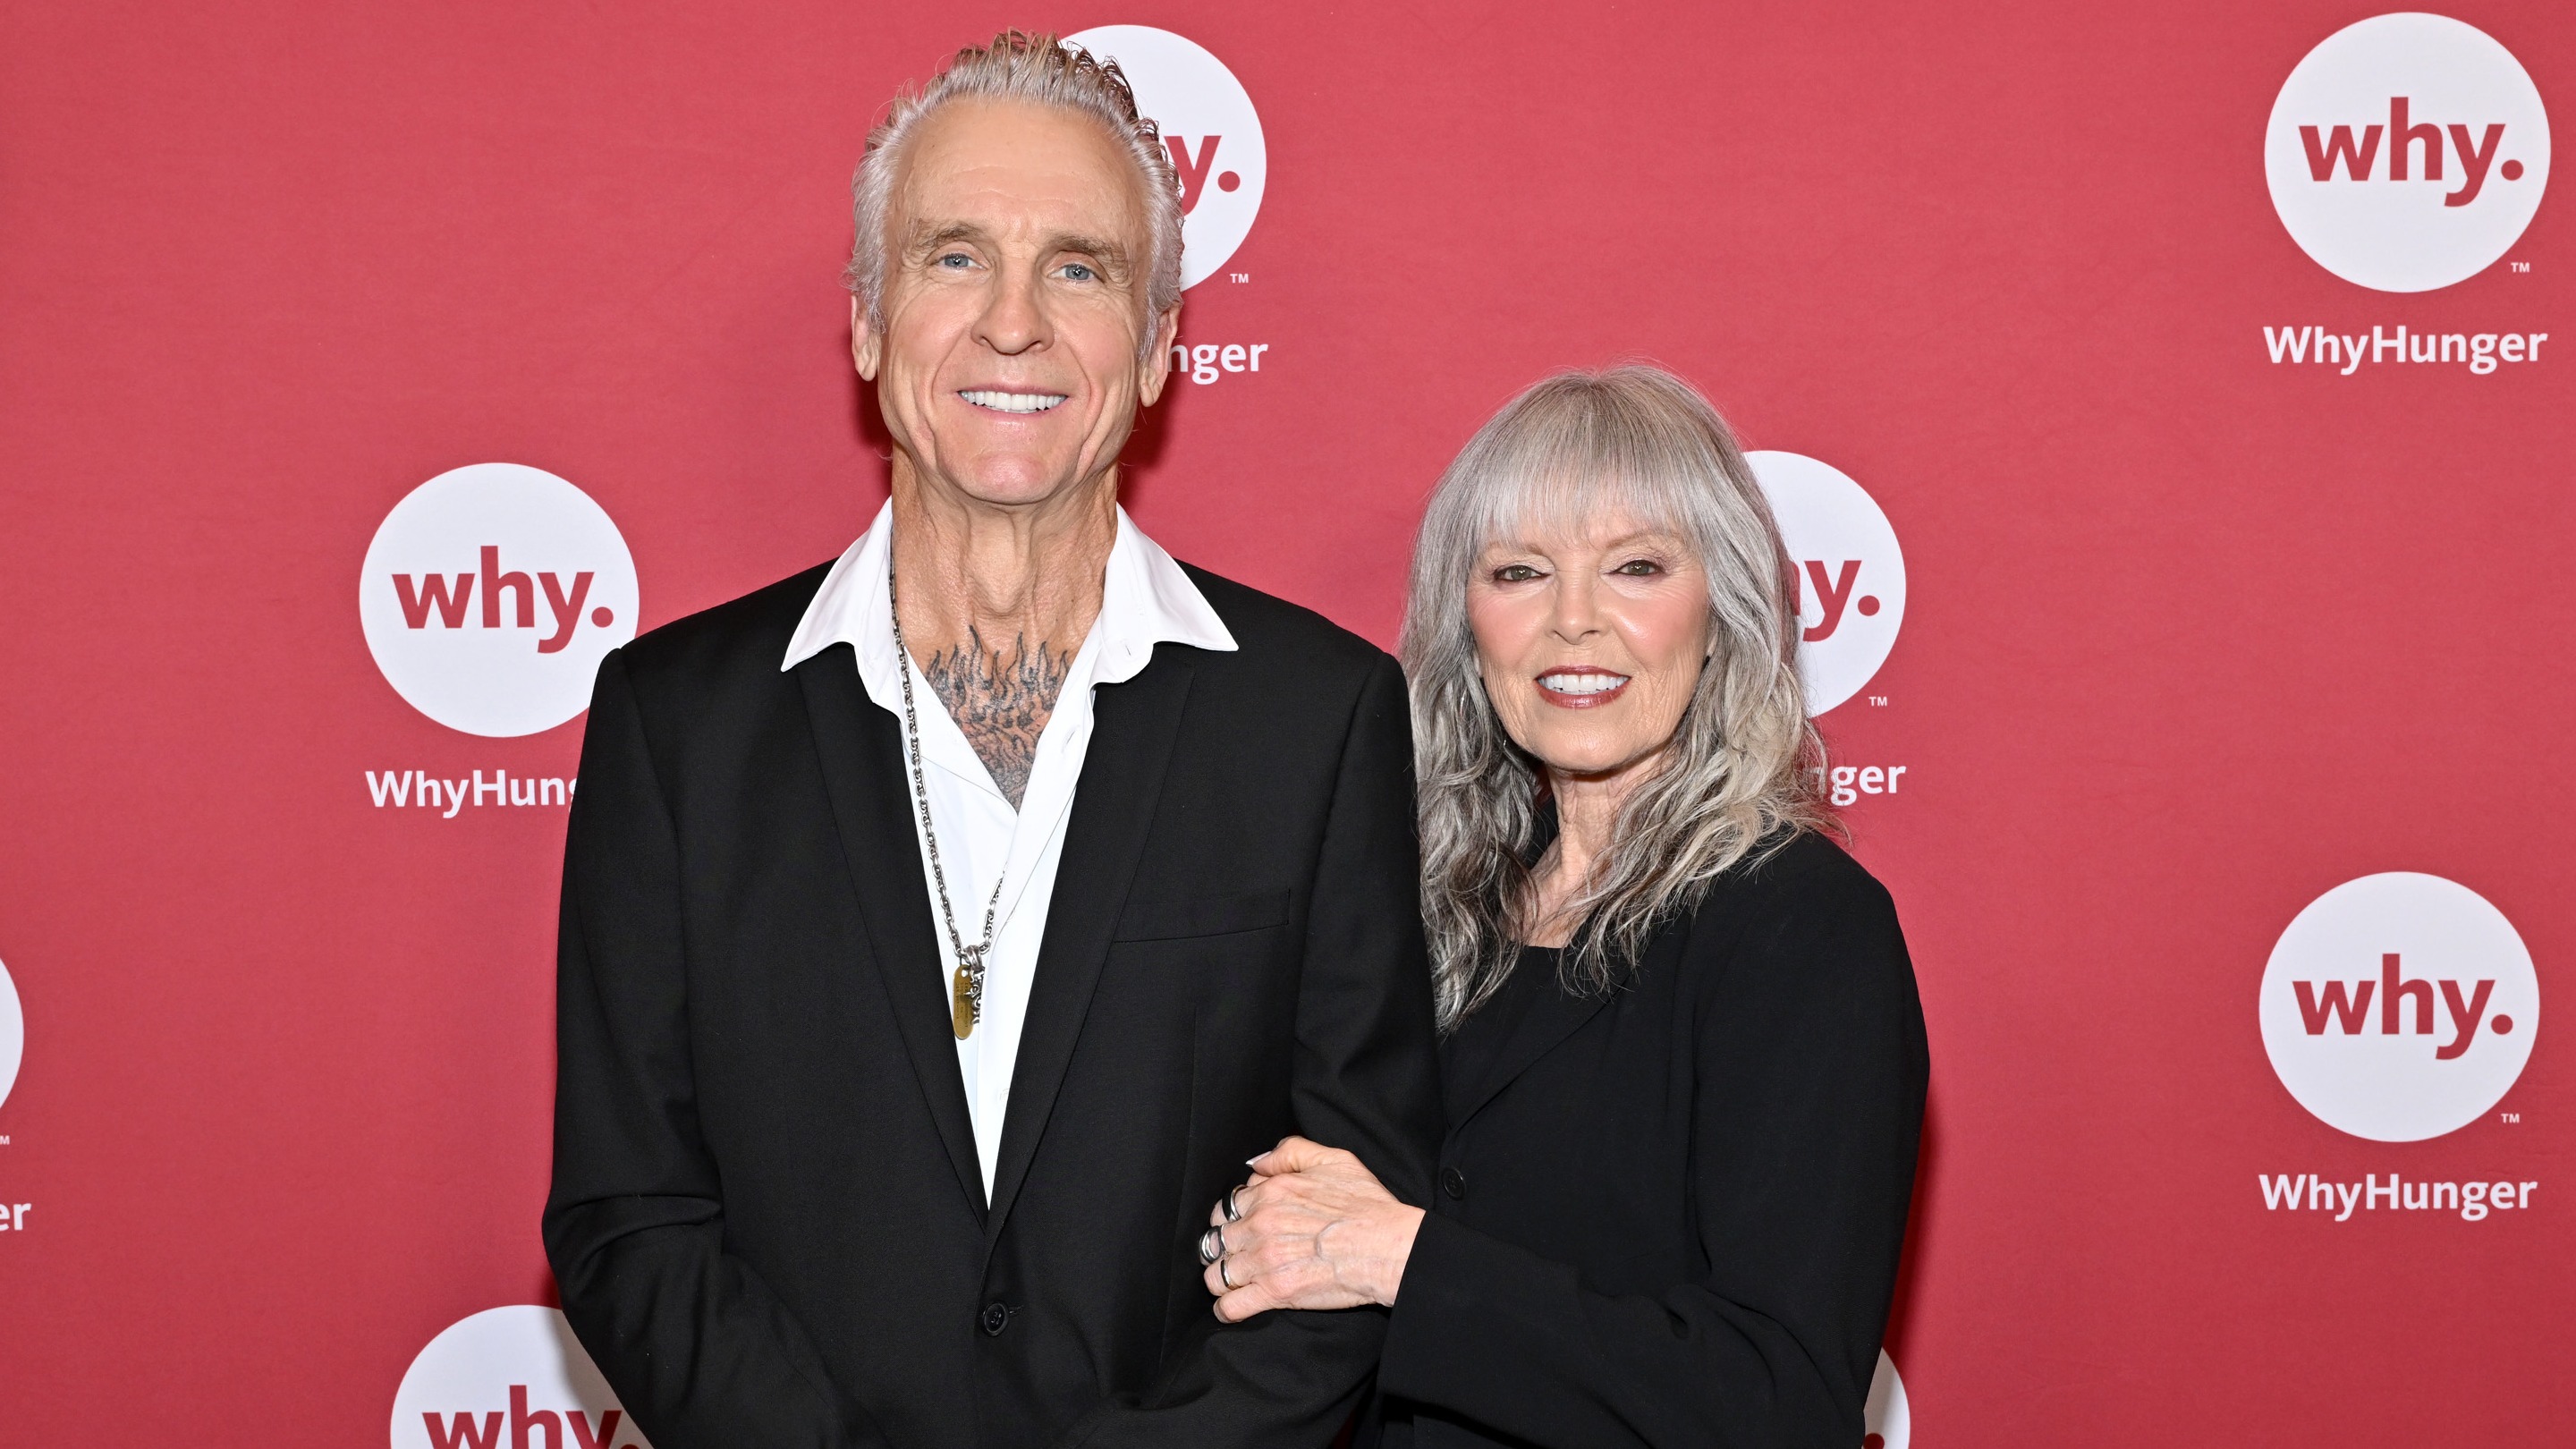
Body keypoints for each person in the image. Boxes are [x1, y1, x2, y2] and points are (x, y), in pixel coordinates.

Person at [542, 33, 1442, 1449]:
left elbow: (1352, 1225)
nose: (1012, 322)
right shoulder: (679, 726)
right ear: (865, 321)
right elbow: (629, 1216)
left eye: (1078, 267)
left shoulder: (1315, 719)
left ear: (1153, 350)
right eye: (954, 258)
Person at [1197, 367, 1928, 1448]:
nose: (1574, 621)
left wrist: (1399, 1260)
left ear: (1721, 611)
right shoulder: (1419, 909)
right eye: (1520, 571)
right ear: (1467, 623)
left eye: (1635, 567)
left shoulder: (1804, 929)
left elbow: (1779, 1400)